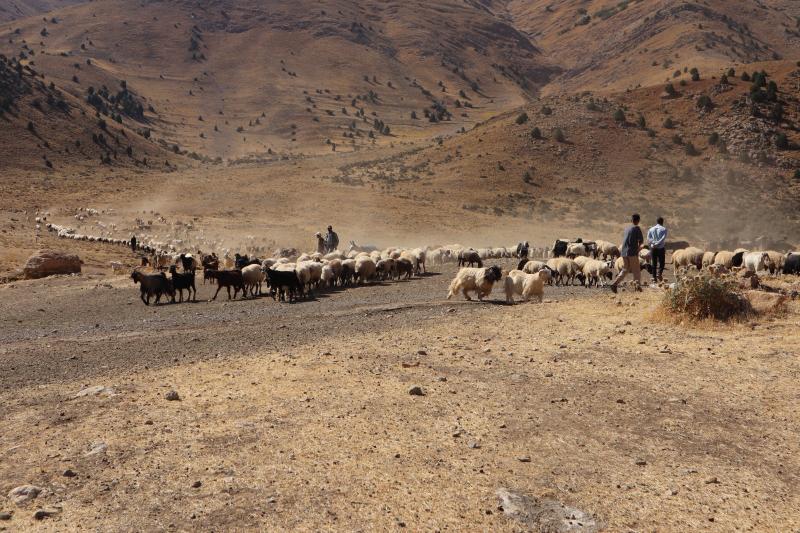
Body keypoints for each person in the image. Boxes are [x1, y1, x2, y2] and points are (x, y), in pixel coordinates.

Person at [610, 213, 644, 293]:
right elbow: (641, 242)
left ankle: (614, 284)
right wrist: (638, 250)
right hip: (632, 252)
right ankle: (637, 287)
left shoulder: (626, 229)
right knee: (636, 270)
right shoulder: (637, 228)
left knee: (625, 269)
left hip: (624, 252)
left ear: (631, 220)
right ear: (638, 220)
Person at [647, 217, 667, 283]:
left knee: (654, 263)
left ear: (657, 222)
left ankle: (654, 278)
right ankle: (659, 273)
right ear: (662, 222)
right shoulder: (664, 229)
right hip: (660, 248)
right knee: (662, 263)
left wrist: (653, 243)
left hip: (653, 248)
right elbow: (663, 238)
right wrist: (657, 243)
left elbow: (648, 238)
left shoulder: (651, 229)